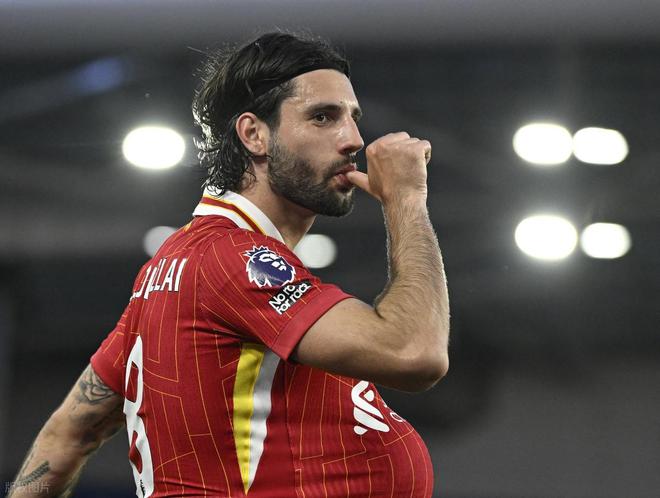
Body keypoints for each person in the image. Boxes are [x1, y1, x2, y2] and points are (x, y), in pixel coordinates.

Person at [8, 32, 450, 498]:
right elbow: (414, 354)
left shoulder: (181, 265)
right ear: (254, 134)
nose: (354, 140)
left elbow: (68, 434)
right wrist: (407, 199)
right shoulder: (231, 258)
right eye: (323, 117)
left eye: (352, 118)